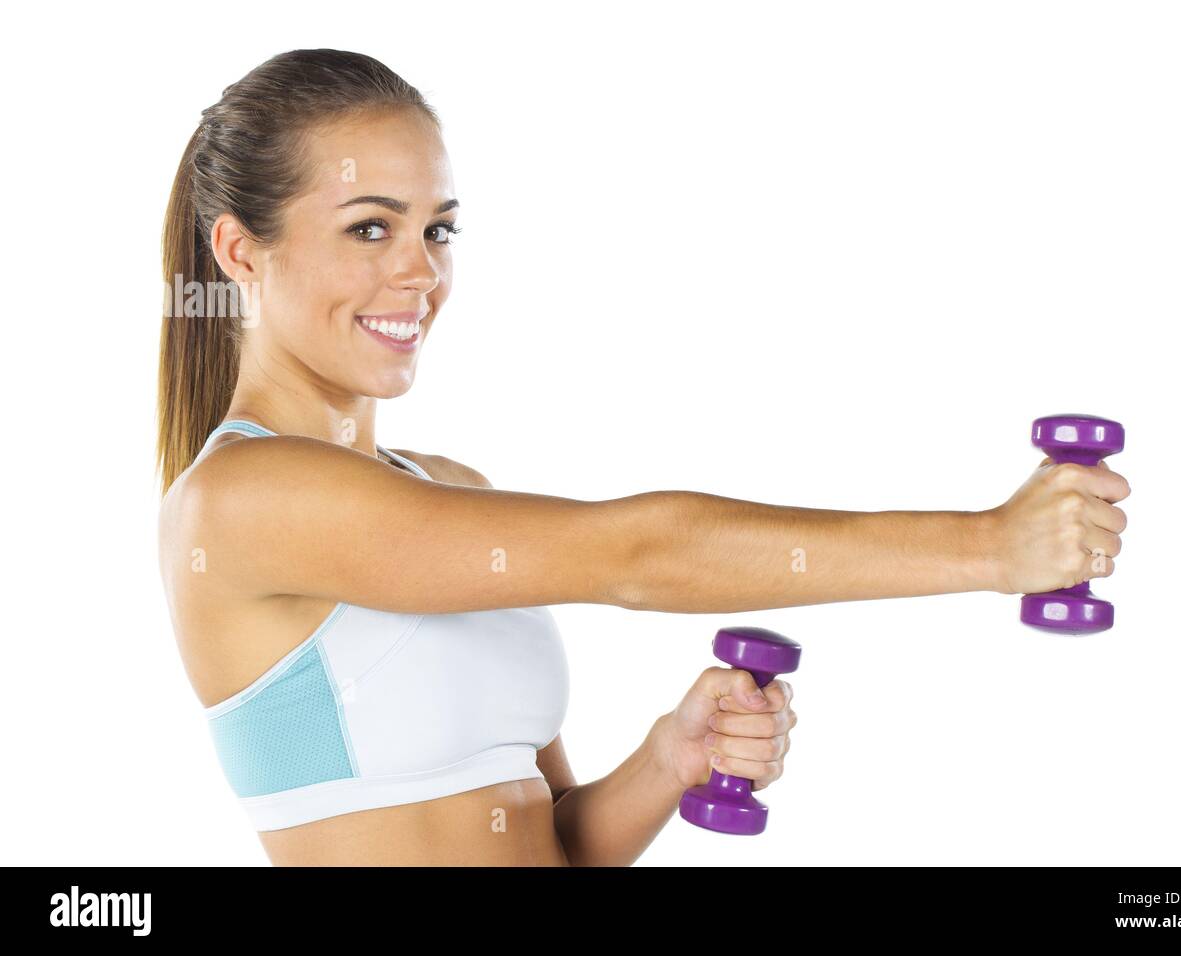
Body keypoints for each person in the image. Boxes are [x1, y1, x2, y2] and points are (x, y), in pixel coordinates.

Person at [156, 49, 1129, 866]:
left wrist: (669, 756)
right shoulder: (241, 499)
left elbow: (557, 836)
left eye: (436, 228)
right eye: (370, 226)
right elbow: (637, 553)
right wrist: (990, 548)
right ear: (241, 251)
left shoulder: (450, 491)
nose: (421, 270)